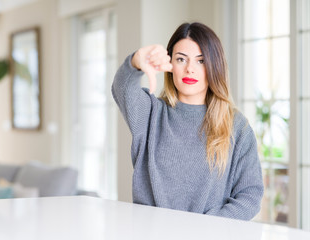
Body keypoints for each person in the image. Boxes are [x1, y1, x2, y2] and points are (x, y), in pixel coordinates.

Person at [112, 22, 264, 220]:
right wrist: (135, 62)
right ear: (170, 65)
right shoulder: (151, 114)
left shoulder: (236, 126)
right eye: (181, 59)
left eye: (201, 61)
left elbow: (250, 195)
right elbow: (121, 88)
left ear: (214, 66)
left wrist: (207, 228)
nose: (190, 69)